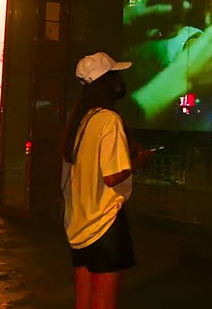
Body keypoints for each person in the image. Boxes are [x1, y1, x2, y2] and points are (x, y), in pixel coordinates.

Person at [62, 52, 152, 309]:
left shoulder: (81, 120)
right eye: (115, 76)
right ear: (107, 83)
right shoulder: (109, 120)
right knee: (104, 302)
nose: (120, 82)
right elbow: (113, 175)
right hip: (105, 222)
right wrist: (140, 161)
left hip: (79, 223)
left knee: (84, 298)